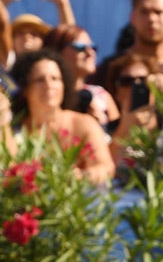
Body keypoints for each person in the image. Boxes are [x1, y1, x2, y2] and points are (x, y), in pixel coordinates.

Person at [9, 49, 115, 184]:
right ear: (24, 88)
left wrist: (78, 177)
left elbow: (106, 168)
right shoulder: (13, 129)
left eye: (55, 78)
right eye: (40, 80)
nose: (49, 85)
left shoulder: (83, 123)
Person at [46, 24, 120, 130]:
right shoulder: (48, 96)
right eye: (80, 47)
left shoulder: (101, 95)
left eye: (93, 47)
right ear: (56, 52)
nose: (90, 52)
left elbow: (120, 141)